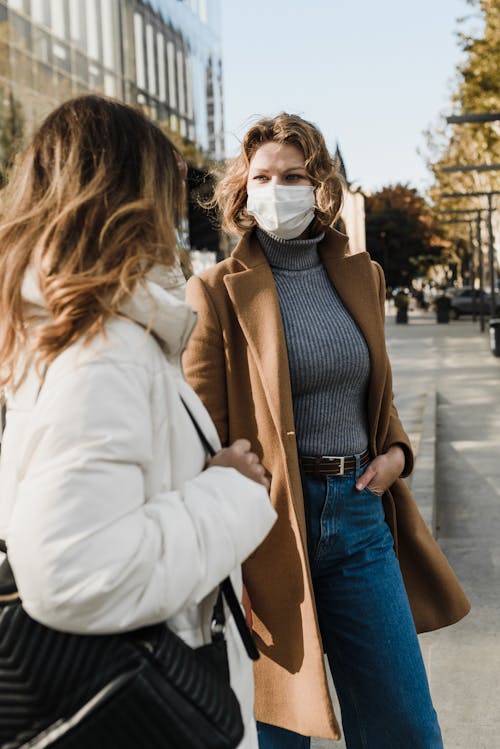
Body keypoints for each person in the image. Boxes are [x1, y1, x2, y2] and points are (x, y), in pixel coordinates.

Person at [182, 113, 470, 748]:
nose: (275, 188)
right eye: (261, 176)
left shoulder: (360, 275)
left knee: (406, 728)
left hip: (360, 514)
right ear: (241, 188)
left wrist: (396, 452)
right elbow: (202, 443)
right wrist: (223, 564)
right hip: (267, 532)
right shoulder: (213, 293)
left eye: (292, 175)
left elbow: (376, 392)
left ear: (319, 187)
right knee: (285, 734)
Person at [0, 95, 277, 748]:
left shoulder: (102, 334)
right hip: (146, 696)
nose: (179, 207)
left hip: (152, 680)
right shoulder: (102, 353)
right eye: (168, 185)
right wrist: (231, 487)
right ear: (127, 197)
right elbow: (73, 568)